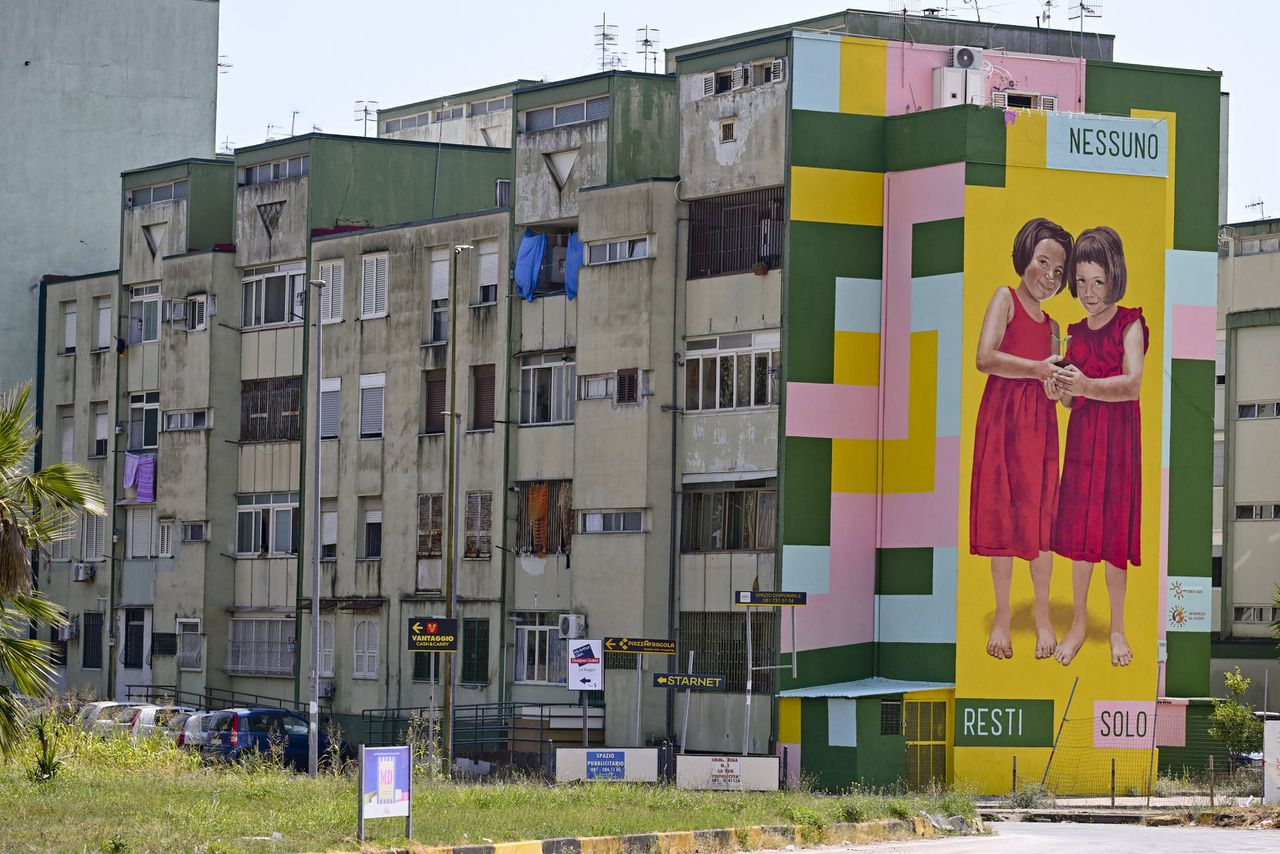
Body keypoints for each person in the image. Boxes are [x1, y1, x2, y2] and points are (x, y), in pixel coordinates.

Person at [971, 217, 1072, 661]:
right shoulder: (1004, 298)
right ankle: (1002, 618)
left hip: (1040, 429)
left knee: (1040, 521)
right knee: (1003, 517)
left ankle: (1044, 615)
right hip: (1002, 420)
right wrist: (1037, 370)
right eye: (1043, 263)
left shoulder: (1054, 327)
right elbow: (984, 357)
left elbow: (1061, 395)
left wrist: (1057, 388)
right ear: (1024, 257)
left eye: (1057, 272)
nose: (1048, 277)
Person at [1047, 226, 1148, 667]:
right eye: (1082, 281)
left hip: (1119, 444)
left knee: (1112, 535)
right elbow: (1071, 400)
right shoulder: (1072, 332)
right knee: (1081, 536)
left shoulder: (1130, 324)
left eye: (1098, 282)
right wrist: (1059, 390)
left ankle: (1119, 627)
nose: (1089, 292)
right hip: (1085, 445)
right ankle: (1080, 624)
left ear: (1115, 278)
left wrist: (1085, 383)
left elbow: (1133, 385)